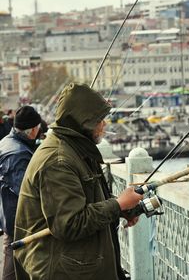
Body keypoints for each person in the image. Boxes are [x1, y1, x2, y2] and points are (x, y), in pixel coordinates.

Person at [14, 83, 143, 280]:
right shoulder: (58, 161)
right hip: (62, 270)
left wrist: (120, 209)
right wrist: (118, 204)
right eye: (100, 120)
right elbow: (69, 223)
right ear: (85, 123)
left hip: (77, 266)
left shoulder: (74, 148)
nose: (104, 125)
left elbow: (82, 201)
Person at [0, 105, 41, 280]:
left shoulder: (7, 142)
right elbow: (25, 192)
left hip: (10, 218)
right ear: (32, 130)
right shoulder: (18, 154)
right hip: (18, 222)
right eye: (38, 129)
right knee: (13, 271)